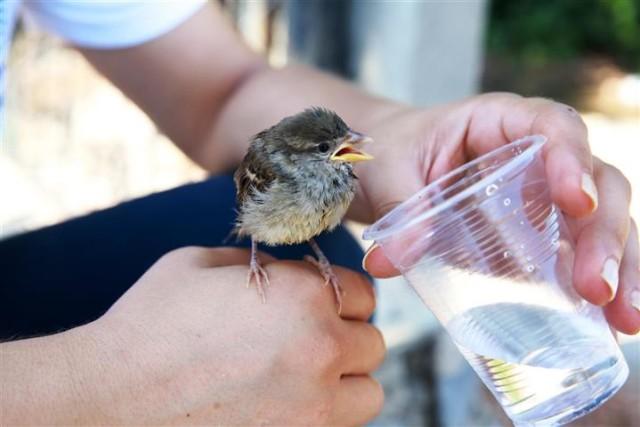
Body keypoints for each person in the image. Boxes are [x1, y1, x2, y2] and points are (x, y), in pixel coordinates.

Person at [1, 1, 637, 425]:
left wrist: (409, 133)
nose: (351, 156)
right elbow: (248, 199)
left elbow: (222, 91)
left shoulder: (343, 174)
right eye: (336, 152)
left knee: (324, 285)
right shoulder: (274, 174)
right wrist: (102, 391)